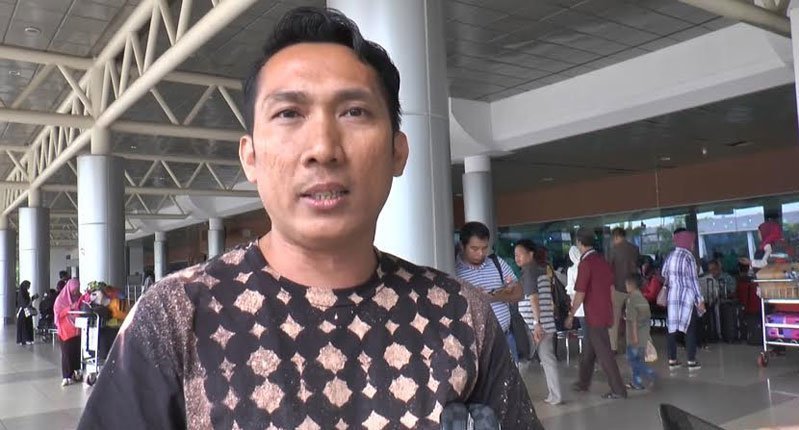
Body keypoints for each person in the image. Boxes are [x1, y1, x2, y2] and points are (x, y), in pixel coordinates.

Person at [78, 7, 541, 429]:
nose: (322, 148)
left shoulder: (460, 316)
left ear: (397, 152)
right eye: (288, 113)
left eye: (354, 111)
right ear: (250, 157)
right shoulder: (177, 317)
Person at [566, 228, 627, 400]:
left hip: (593, 315)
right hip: (604, 312)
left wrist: (571, 315)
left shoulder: (585, 264)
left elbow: (580, 293)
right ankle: (583, 382)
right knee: (589, 349)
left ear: (579, 243)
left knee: (604, 353)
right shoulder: (602, 261)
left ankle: (618, 389)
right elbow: (611, 288)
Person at [456, 221, 523, 362]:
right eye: (474, 249)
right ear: (462, 246)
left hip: (505, 339)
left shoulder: (496, 263)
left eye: (484, 248)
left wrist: (494, 296)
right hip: (474, 346)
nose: (480, 253)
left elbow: (519, 293)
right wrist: (473, 296)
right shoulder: (454, 269)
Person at [515, 240, 562, 405]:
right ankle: (555, 396)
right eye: (515, 255)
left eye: (520, 254)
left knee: (523, 360)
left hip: (533, 326)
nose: (517, 258)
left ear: (530, 254)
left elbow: (533, 298)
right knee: (548, 360)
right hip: (547, 323)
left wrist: (536, 323)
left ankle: (512, 395)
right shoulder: (542, 270)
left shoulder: (529, 271)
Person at [662, 229, 706, 371]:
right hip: (687, 297)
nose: (693, 245)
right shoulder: (689, 257)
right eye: (692, 242)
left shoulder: (670, 256)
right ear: (686, 241)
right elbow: (693, 281)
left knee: (672, 328)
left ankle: (672, 360)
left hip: (673, 296)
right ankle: (691, 361)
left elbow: (664, 273)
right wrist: (700, 299)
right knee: (690, 329)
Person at [608, 227, 640, 353]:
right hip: (633, 288)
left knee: (614, 319)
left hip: (618, 287)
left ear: (616, 237)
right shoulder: (634, 249)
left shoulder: (613, 250)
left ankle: (613, 347)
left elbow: (608, 269)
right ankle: (631, 346)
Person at [624, 274, 656, 391]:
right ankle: (636, 383)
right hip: (644, 337)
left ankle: (650, 373)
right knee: (638, 360)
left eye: (626, 285)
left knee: (633, 361)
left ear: (630, 285)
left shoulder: (631, 300)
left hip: (634, 338)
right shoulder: (643, 300)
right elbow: (645, 319)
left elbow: (633, 321)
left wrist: (634, 337)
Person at [54, 278, 83, 387]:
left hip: (77, 330)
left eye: (77, 289)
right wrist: (69, 308)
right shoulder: (60, 300)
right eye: (74, 290)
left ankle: (76, 374)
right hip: (65, 332)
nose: (75, 292)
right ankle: (66, 376)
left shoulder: (79, 297)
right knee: (67, 353)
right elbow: (58, 314)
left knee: (76, 353)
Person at [565, 245, 585, 334]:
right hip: (593, 306)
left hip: (579, 307)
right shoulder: (588, 267)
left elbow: (571, 292)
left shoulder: (571, 270)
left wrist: (571, 311)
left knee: (585, 331)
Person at [16, 280, 37, 345]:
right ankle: (26, 339)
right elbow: (25, 303)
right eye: (28, 286)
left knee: (26, 325)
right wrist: (31, 299)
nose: (29, 287)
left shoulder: (23, 293)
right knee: (25, 325)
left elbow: (27, 301)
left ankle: (26, 339)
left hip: (25, 312)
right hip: (23, 312)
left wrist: (32, 298)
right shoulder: (22, 294)